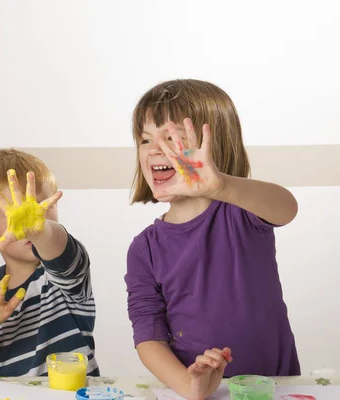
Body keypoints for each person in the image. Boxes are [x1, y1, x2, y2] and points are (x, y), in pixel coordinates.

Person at [125, 79, 300, 399]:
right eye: (145, 139)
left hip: (270, 388)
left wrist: (220, 186)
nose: (154, 149)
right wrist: (188, 386)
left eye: (170, 137)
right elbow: (148, 335)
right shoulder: (144, 249)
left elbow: (286, 208)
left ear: (212, 145)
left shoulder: (242, 213)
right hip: (201, 389)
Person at [0, 149, 99, 376]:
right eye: (14, 213)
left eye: (39, 208)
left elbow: (57, 245)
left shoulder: (66, 277)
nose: (29, 221)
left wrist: (42, 232)